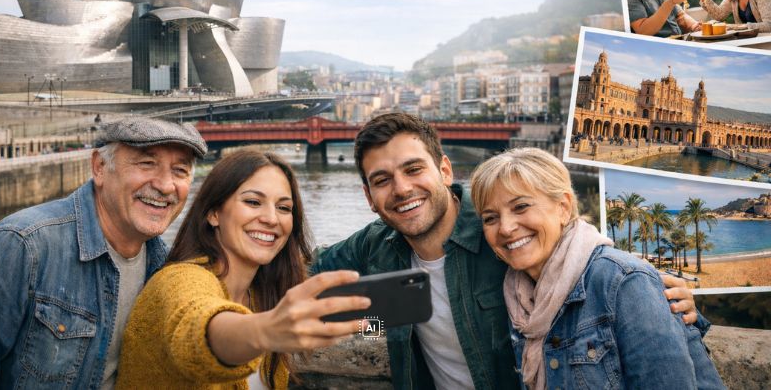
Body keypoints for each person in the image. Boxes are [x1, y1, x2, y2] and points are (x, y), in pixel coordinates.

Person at [311, 112, 702, 390]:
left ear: (445, 171)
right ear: (368, 196)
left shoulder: (504, 240)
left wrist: (666, 296)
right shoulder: (378, 244)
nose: (400, 189)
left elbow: (586, 264)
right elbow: (304, 275)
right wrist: (369, 319)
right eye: (382, 180)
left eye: (414, 170)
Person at [0, 117, 207, 389]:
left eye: (180, 170)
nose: (166, 186)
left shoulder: (166, 270)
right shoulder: (20, 247)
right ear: (100, 167)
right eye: (147, 164)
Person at [470, 148, 725, 389]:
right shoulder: (519, 296)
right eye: (490, 218)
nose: (505, 228)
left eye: (521, 207)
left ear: (563, 207)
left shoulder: (623, 282)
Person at [116, 149, 368, 389]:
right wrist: (264, 330)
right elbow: (195, 327)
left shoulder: (264, 294)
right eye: (252, 201)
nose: (271, 218)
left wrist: (376, 324)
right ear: (214, 213)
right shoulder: (179, 280)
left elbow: (362, 325)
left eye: (283, 208)